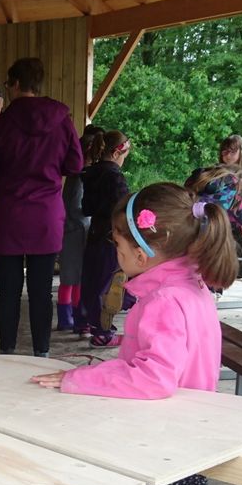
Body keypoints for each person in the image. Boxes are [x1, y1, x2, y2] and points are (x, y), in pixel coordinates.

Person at [31, 182, 237, 485]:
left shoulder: (164, 299)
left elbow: (154, 378)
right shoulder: (191, 285)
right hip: (187, 440)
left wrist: (79, 378)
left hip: (162, 450)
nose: (116, 254)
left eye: (119, 246)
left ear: (141, 255)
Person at [0, 57, 83, 357]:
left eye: (8, 84)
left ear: (16, 84)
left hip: (10, 215)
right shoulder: (62, 119)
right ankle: (41, 354)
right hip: (46, 215)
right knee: (41, 291)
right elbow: (75, 164)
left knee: (8, 291)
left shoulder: (0, 125)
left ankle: (8, 352)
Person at [79, 130, 131, 345]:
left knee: (91, 280)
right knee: (108, 285)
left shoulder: (91, 174)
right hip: (111, 236)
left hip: (95, 232)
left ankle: (85, 322)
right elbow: (123, 208)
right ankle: (102, 331)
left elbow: (87, 207)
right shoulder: (115, 176)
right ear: (118, 152)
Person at [57, 125, 101, 331]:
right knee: (70, 278)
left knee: (77, 278)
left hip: (76, 230)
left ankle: (74, 316)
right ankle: (67, 318)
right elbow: (75, 207)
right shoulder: (78, 178)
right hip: (74, 232)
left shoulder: (80, 175)